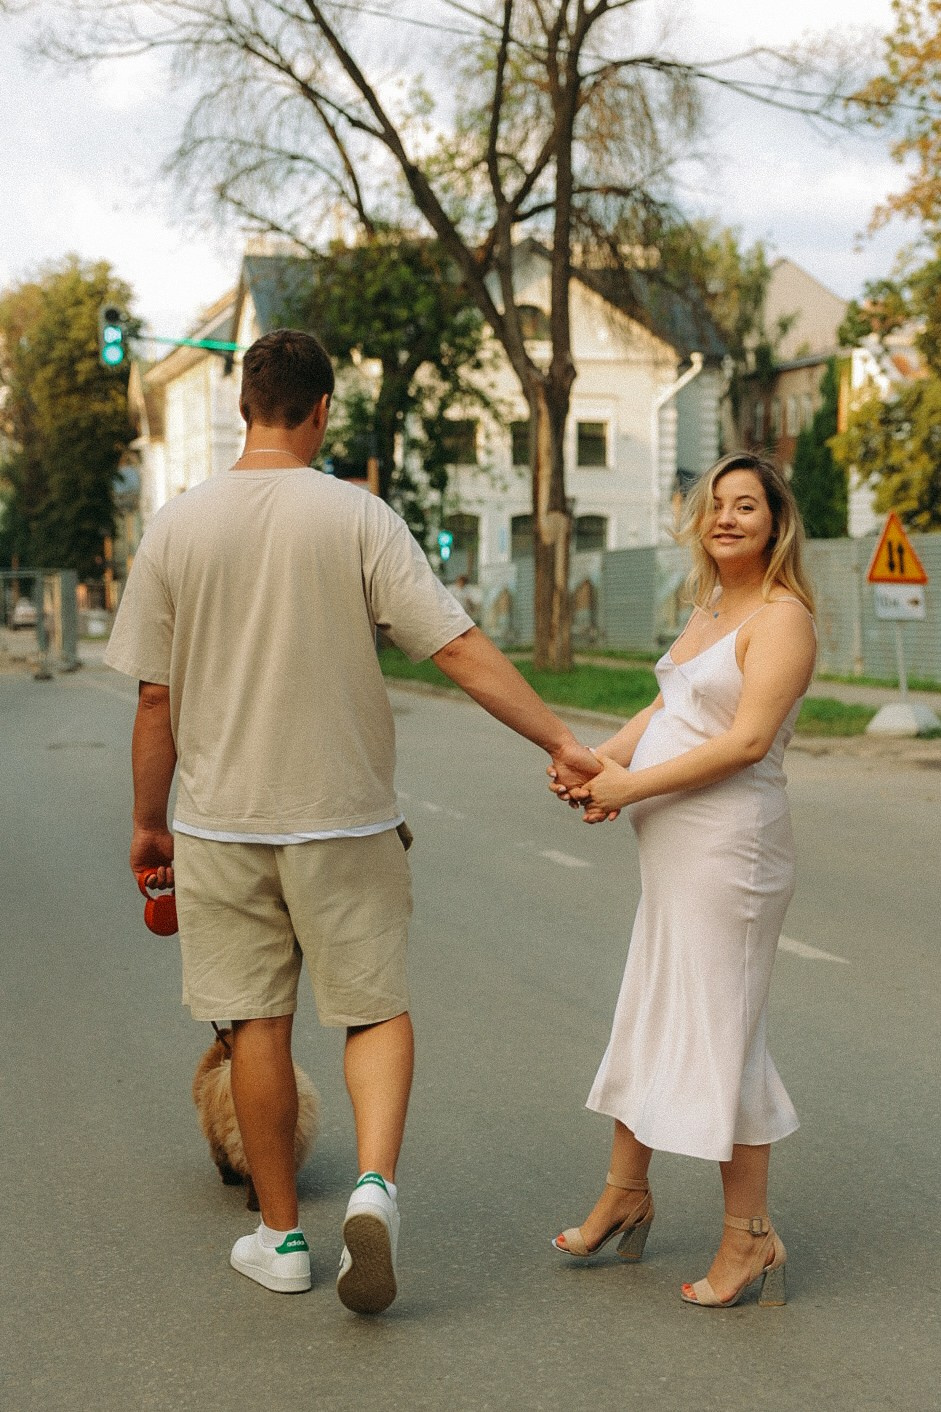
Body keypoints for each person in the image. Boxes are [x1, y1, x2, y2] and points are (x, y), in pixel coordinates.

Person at [105, 328, 598, 1314]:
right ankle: (372, 1186)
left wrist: (148, 824)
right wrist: (560, 739)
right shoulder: (356, 516)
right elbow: (454, 648)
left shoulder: (176, 527)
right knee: (370, 1007)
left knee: (255, 1021)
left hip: (219, 823)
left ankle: (280, 1234)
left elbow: (154, 702)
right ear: (321, 410)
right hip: (345, 817)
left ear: (245, 405)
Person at [549, 452, 817, 1309]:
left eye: (747, 506)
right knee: (653, 1010)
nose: (728, 517)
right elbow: (667, 708)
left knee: (720, 1036)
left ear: (775, 523)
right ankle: (626, 1190)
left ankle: (749, 1237)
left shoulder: (781, 618)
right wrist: (599, 761)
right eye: (716, 505)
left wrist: (628, 788)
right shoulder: (709, 607)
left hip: (731, 855)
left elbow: (742, 744)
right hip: (675, 854)